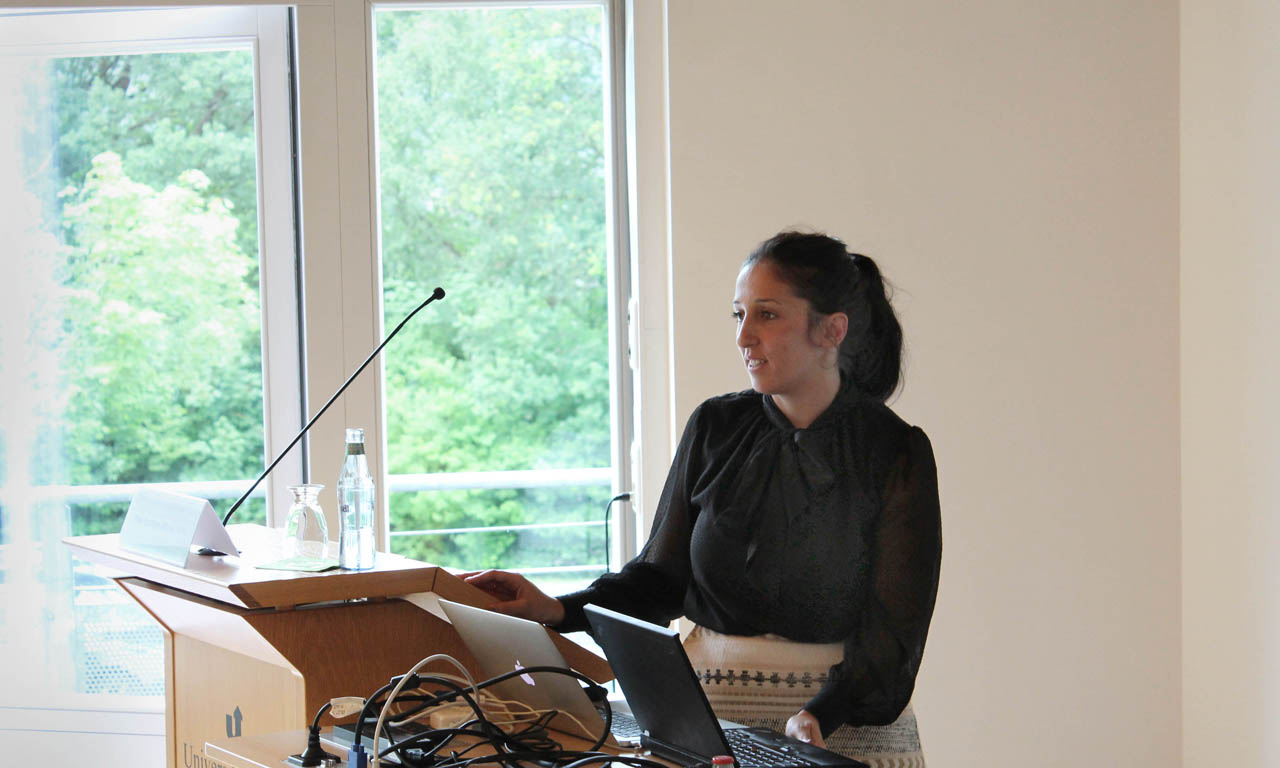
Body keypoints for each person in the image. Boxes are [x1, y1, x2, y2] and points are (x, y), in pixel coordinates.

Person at [464, 230, 941, 767]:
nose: (744, 337)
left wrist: (818, 715)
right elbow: (659, 581)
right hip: (705, 731)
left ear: (831, 330)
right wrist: (554, 608)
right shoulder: (714, 425)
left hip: (840, 735)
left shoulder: (896, 451)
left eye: (767, 315)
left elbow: (893, 637)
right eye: (738, 315)